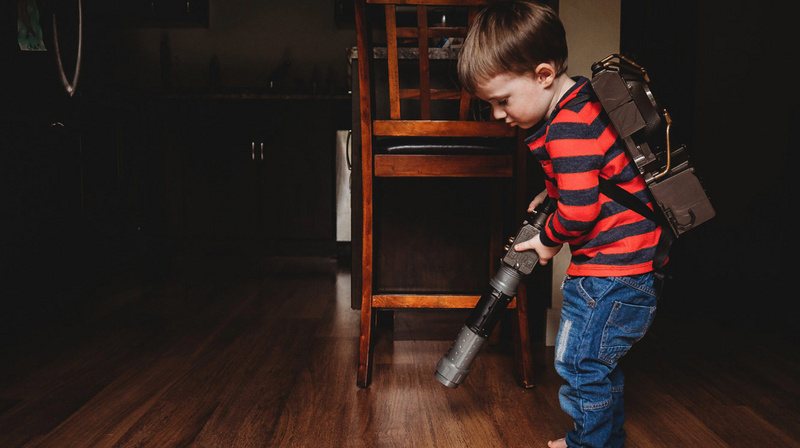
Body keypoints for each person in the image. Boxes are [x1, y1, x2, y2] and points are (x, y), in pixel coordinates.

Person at [458, 2, 663, 447]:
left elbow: (581, 212)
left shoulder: (566, 128)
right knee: (596, 364)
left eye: (502, 101)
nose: (497, 114)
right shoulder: (578, 101)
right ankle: (604, 441)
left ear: (544, 75)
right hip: (626, 267)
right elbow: (590, 177)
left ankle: (587, 445)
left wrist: (548, 242)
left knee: (579, 363)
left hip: (611, 273)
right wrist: (551, 195)